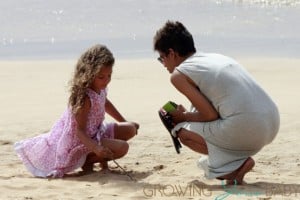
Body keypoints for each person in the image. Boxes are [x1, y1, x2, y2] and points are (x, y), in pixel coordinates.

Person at [153, 21, 279, 184]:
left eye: (161, 58)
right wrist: (188, 114)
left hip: (248, 128)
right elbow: (217, 105)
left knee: (179, 130)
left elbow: (210, 115)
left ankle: (234, 168)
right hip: (271, 123)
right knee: (194, 122)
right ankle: (235, 162)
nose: (163, 64)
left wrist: (183, 117)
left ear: (171, 53)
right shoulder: (214, 58)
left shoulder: (178, 75)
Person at [14, 44, 139, 178]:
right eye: (101, 77)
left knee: (132, 128)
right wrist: (96, 148)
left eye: (109, 75)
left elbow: (105, 103)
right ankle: (86, 161)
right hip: (80, 140)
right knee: (122, 148)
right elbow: (78, 131)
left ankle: (97, 156)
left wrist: (124, 122)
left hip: (96, 132)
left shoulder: (100, 88)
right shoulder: (84, 97)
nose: (106, 80)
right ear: (89, 74)